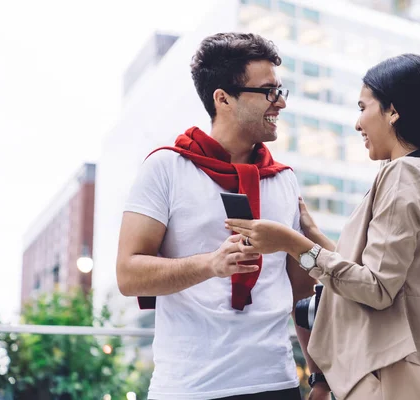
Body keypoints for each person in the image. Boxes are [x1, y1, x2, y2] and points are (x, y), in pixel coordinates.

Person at [226, 53, 420, 400]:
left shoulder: (403, 173)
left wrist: (291, 243)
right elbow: (380, 273)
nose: (358, 124)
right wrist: (312, 235)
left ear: (393, 111)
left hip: (391, 369)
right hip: (410, 369)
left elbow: (376, 288)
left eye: (363, 107)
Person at [116, 32, 318, 400]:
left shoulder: (284, 179)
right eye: (269, 92)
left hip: (275, 382)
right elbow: (129, 274)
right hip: (188, 387)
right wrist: (211, 264)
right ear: (223, 98)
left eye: (280, 90)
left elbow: (300, 290)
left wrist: (319, 377)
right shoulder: (166, 168)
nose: (280, 104)